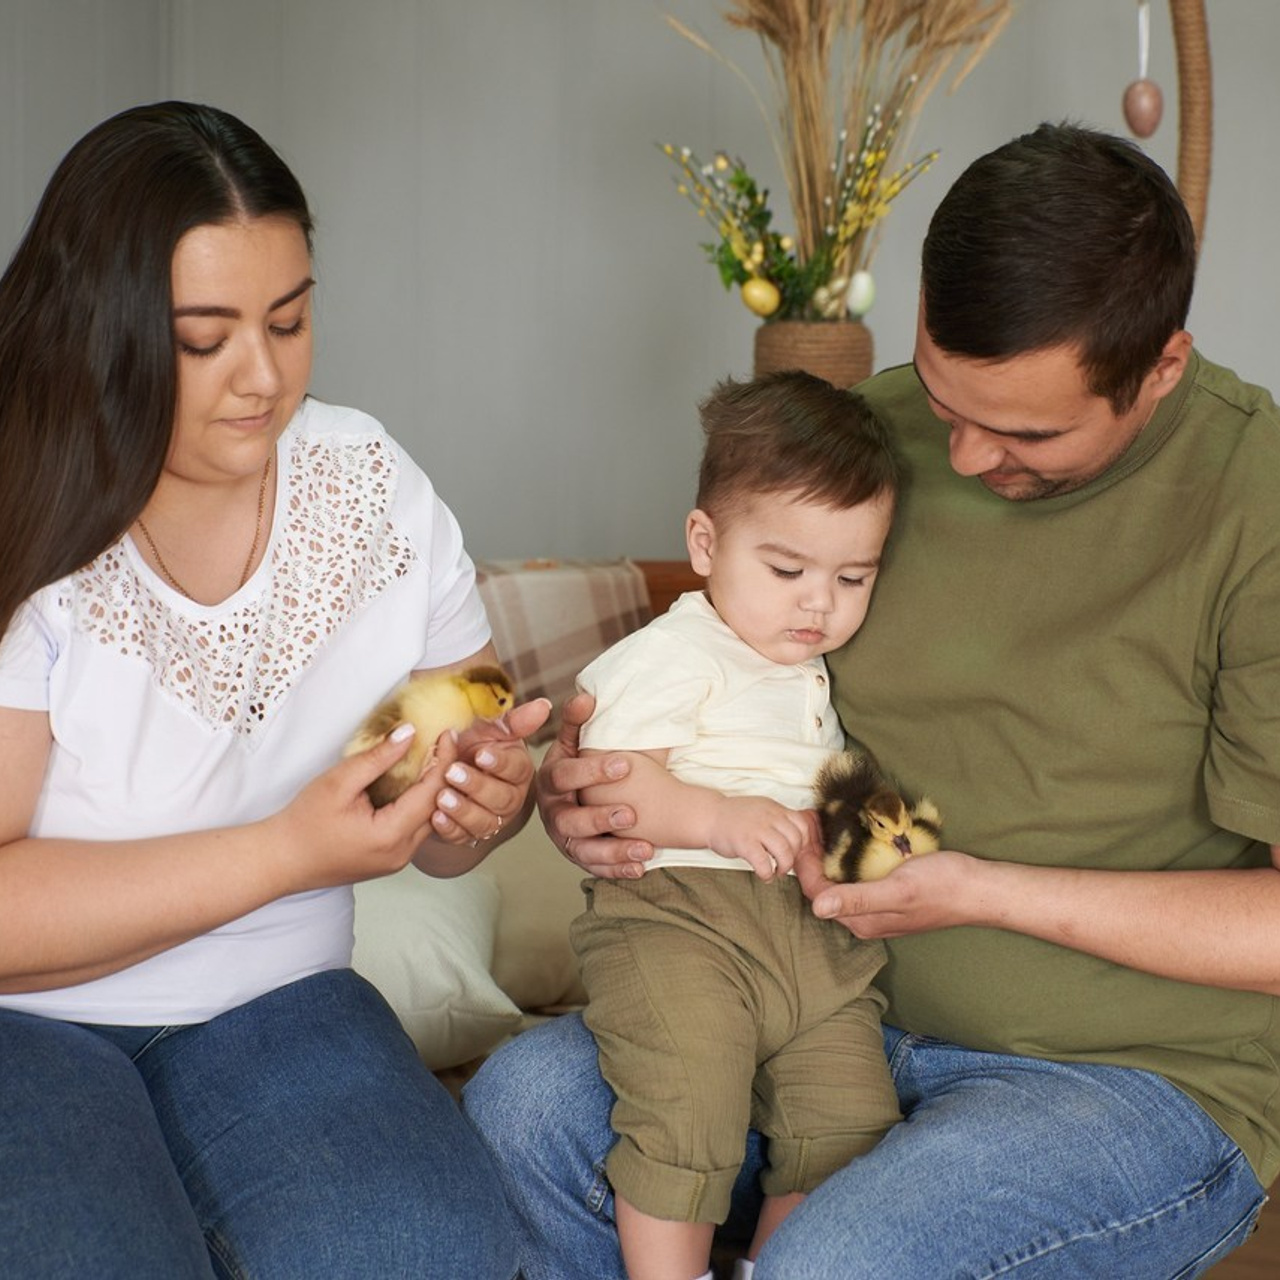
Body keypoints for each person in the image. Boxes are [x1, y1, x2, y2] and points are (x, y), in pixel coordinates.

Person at [464, 121, 1280, 1278]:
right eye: (944, 399)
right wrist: (594, 803)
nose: (956, 459)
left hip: (1125, 1078)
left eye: (1021, 433)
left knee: (838, 1264)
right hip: (814, 997)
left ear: (1159, 365)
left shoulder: (1256, 510)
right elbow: (722, 696)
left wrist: (987, 892)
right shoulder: (859, 451)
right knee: (525, 1111)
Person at [0, 101, 546, 1279]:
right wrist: (288, 850)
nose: (263, 375)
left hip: (282, 995)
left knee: (431, 1253)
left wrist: (479, 802)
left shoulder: (378, 489)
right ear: (102, 326)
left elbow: (447, 812)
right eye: (205, 338)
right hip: (21, 1024)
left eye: (290, 320)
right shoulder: (22, 515)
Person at [570, 372, 903, 1280]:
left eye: (851, 577)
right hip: (680, 921)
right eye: (788, 571)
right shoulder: (674, 652)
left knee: (847, 1128)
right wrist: (715, 816)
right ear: (705, 543)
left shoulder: (813, 671)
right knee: (687, 1112)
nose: (818, 604)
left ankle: (766, 1266)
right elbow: (611, 783)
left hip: (814, 946)